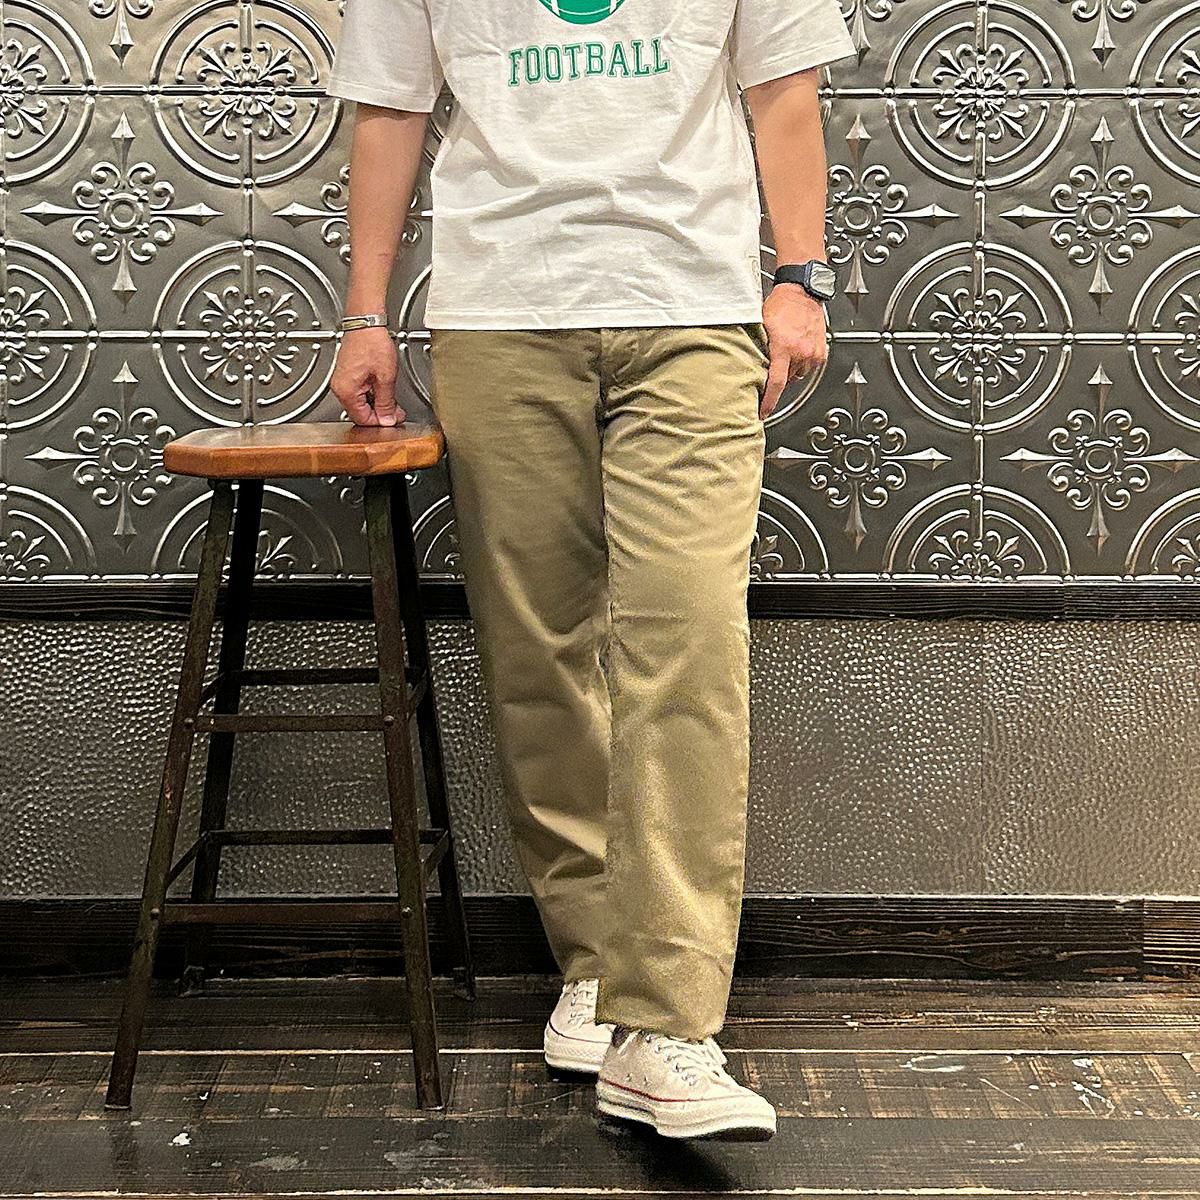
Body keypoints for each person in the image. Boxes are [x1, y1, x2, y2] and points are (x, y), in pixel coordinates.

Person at [325, 0, 854, 1142]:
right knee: (539, 648)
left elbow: (783, 86)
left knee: (688, 643)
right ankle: (597, 966)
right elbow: (390, 108)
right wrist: (365, 312)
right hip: (500, 310)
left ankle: (667, 1024)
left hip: (692, 306)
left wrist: (800, 274)